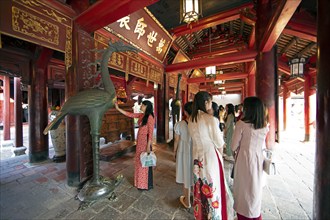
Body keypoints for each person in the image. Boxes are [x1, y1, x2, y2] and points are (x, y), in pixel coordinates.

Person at [187, 91, 228, 219]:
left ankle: (200, 215)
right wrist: (220, 160)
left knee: (200, 189)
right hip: (210, 157)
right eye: (210, 101)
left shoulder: (191, 120)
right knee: (212, 188)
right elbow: (219, 143)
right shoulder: (210, 119)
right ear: (206, 102)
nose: (211, 104)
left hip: (196, 159)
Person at [231, 97, 269, 220]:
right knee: (254, 189)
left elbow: (233, 146)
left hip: (244, 158)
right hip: (258, 159)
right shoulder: (264, 126)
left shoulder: (241, 124)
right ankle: (255, 214)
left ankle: (244, 215)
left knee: (243, 189)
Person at [115, 100, 155, 190]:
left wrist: (148, 146)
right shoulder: (142, 115)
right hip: (140, 143)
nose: (140, 106)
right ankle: (139, 183)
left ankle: (144, 184)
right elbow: (130, 114)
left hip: (145, 143)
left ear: (146, 106)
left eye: (142, 105)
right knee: (139, 161)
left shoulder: (150, 117)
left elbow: (151, 133)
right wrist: (118, 108)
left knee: (143, 163)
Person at [173, 102, 193, 209]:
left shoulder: (180, 124)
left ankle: (187, 201)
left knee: (186, 175)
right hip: (195, 151)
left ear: (185, 111)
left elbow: (176, 140)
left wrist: (174, 152)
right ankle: (195, 197)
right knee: (193, 174)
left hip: (183, 151)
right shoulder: (198, 123)